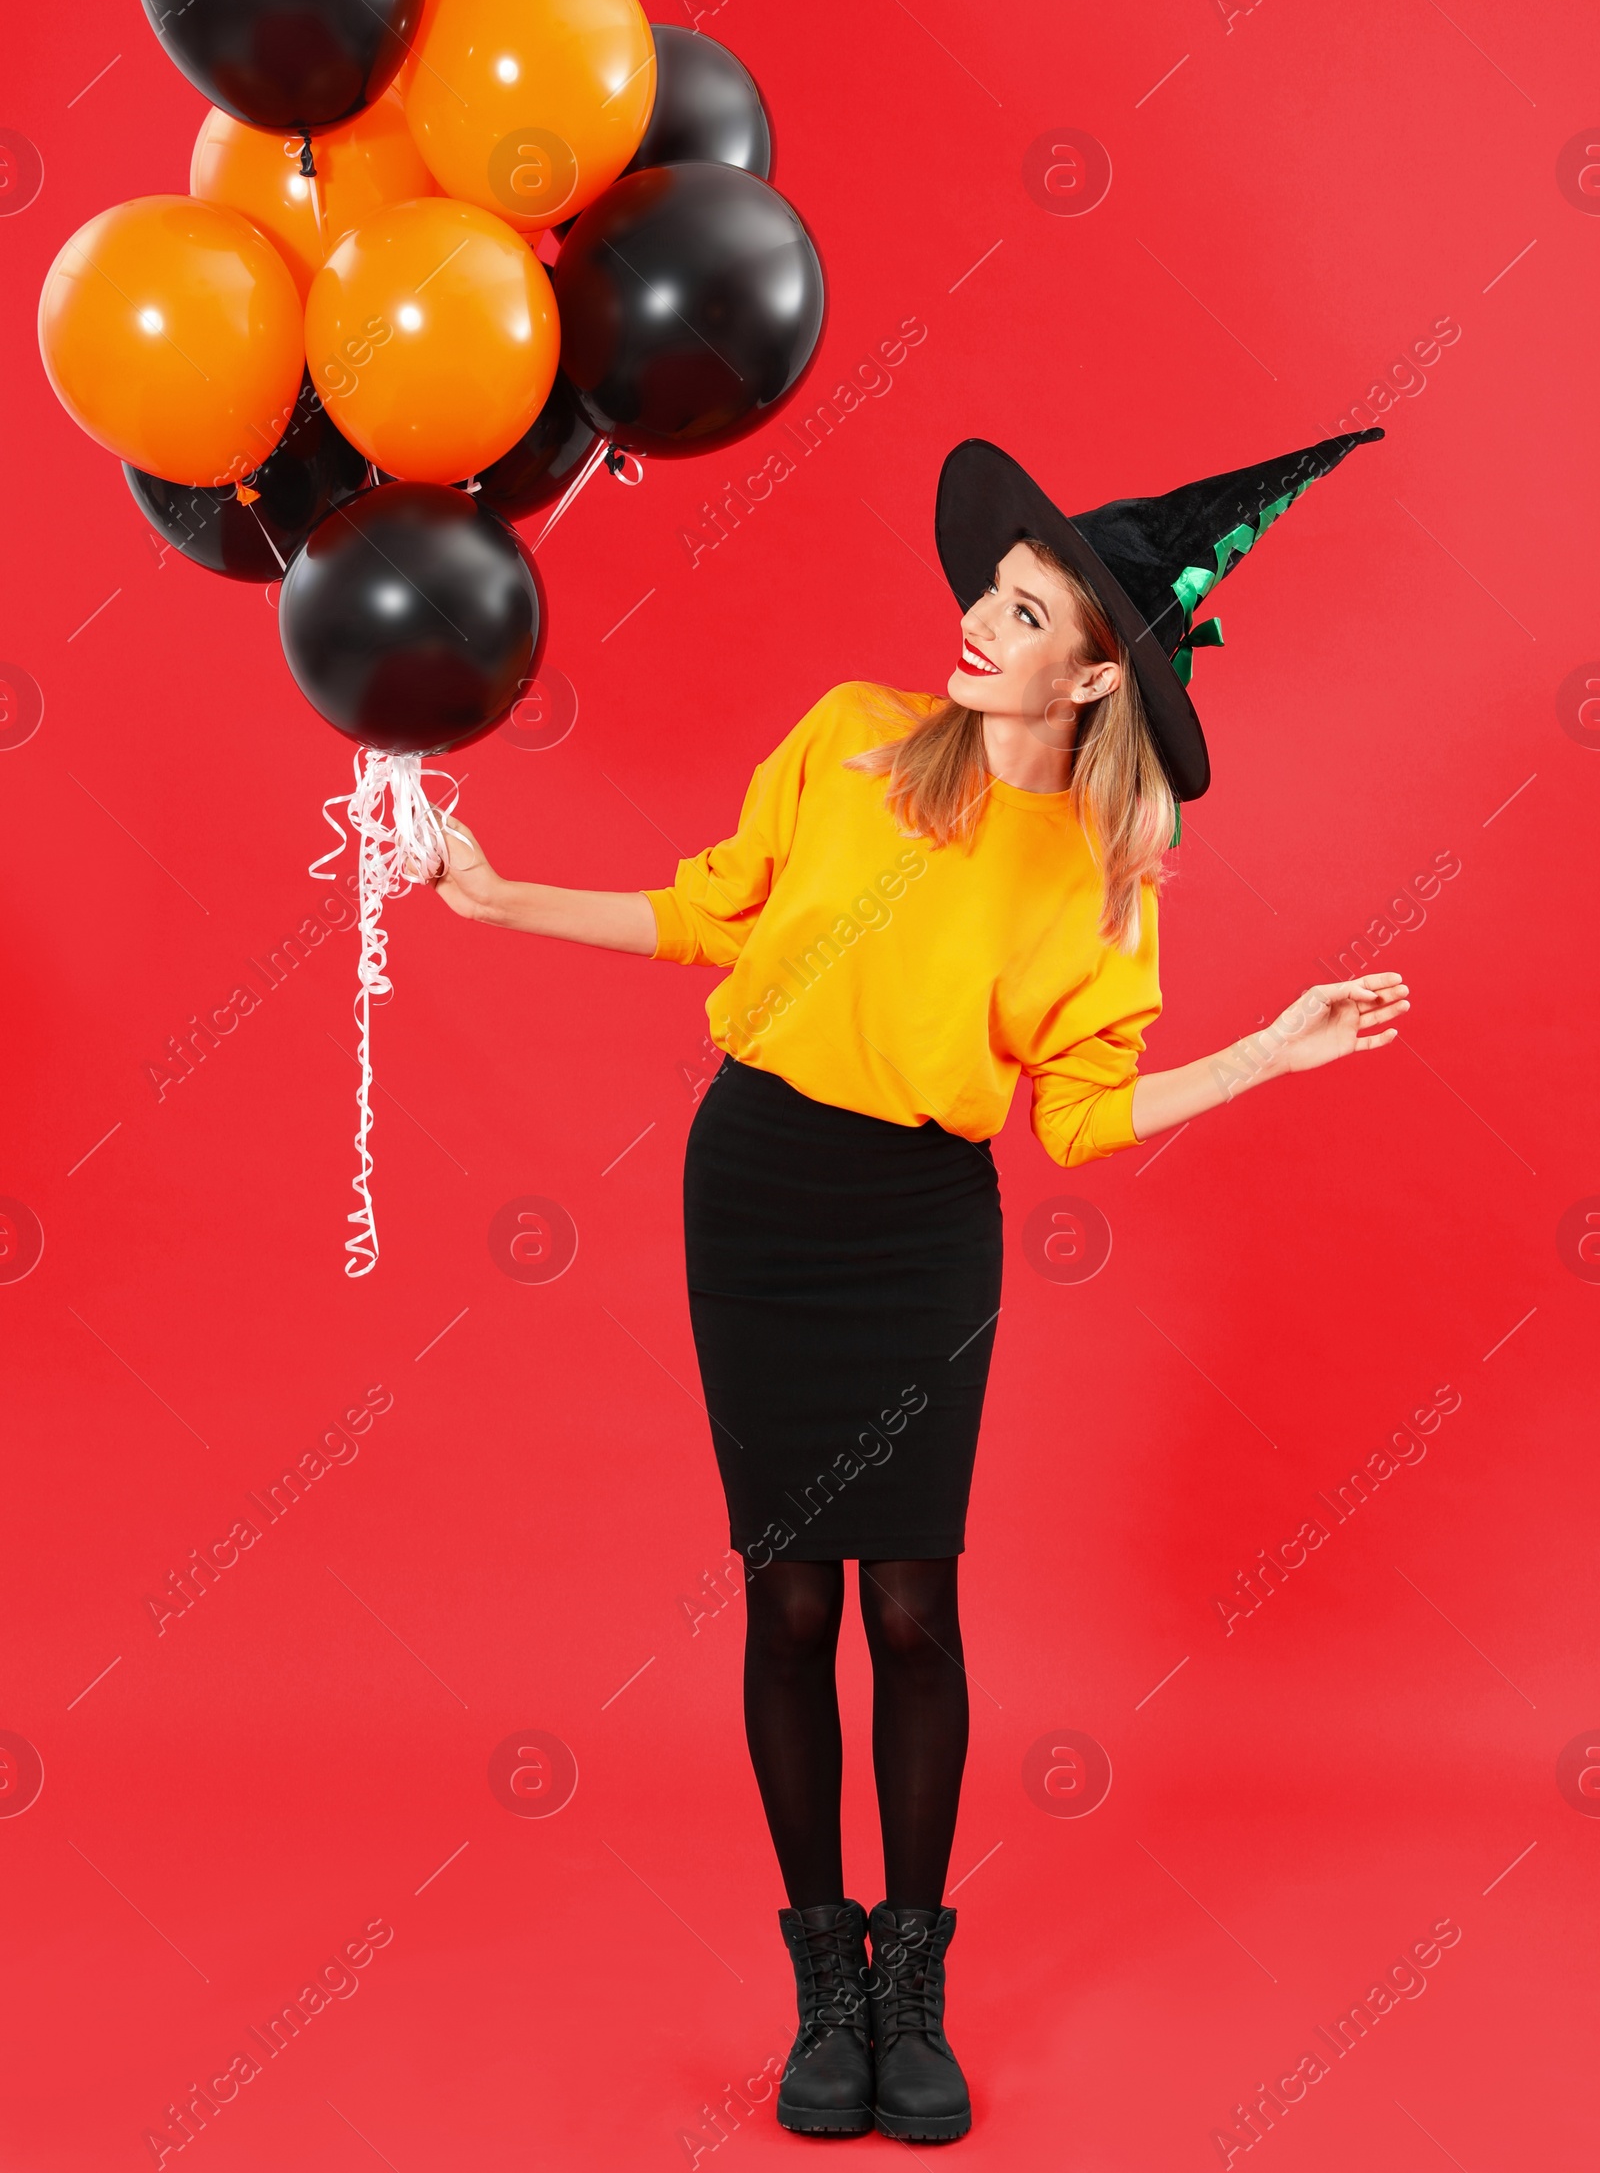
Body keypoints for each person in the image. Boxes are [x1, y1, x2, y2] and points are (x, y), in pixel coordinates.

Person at [423, 427, 1407, 2145]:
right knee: (790, 1600)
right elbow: (715, 914)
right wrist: (502, 901)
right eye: (993, 588)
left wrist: (1266, 1053)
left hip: (919, 1224)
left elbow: (1084, 1118)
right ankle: (825, 1986)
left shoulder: (1106, 871)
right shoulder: (852, 738)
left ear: (1098, 673)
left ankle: (914, 1983)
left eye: (1026, 614)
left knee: (912, 1610)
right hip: (758, 1194)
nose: (978, 618)